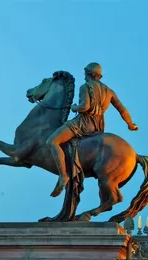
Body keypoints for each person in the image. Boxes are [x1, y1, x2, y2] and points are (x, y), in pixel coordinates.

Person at [47, 62, 138, 197]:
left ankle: (63, 175)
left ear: (88, 74)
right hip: (98, 126)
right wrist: (130, 124)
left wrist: (74, 107)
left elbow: (84, 107)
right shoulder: (109, 91)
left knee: (52, 141)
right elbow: (122, 109)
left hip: (82, 123)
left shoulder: (86, 87)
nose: (84, 76)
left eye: (85, 73)